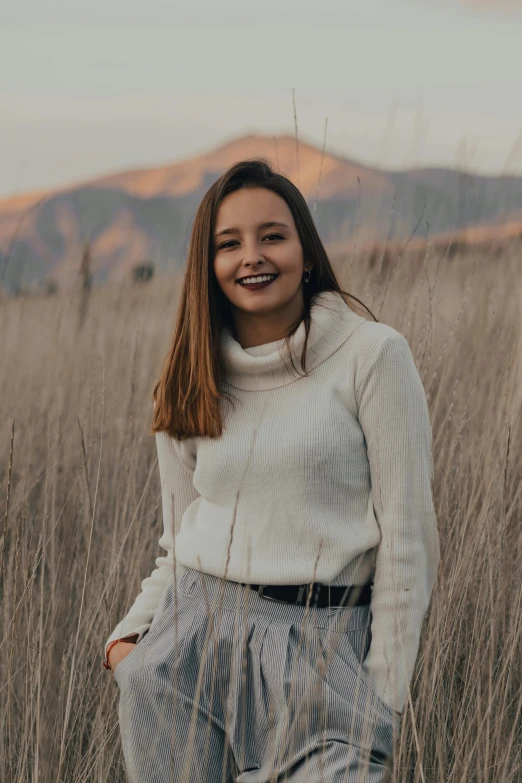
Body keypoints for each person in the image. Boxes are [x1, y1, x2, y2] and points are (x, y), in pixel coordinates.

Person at [103, 158, 440, 782]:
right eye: (228, 244)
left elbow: (409, 537)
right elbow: (178, 538)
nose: (252, 257)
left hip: (326, 649)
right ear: (208, 268)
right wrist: (128, 644)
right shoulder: (186, 380)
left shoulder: (371, 356)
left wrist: (383, 696)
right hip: (188, 644)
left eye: (273, 236)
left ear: (305, 252)